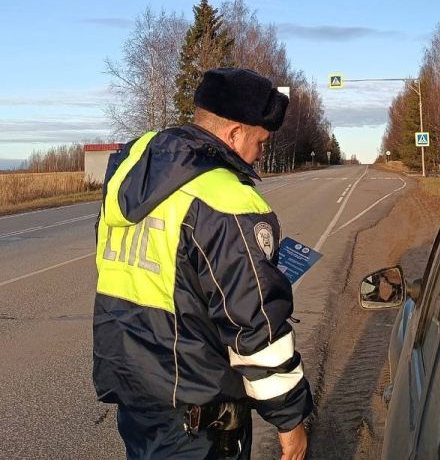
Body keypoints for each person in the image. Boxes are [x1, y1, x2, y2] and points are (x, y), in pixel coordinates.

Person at [93, 68, 312, 460]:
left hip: (137, 403)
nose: (261, 154)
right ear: (233, 135)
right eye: (259, 142)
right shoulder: (225, 200)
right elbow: (256, 327)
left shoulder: (134, 179)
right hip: (199, 422)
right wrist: (290, 422)